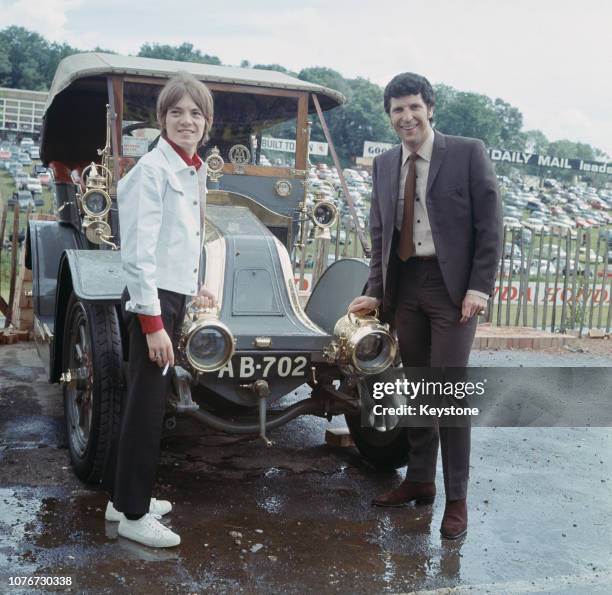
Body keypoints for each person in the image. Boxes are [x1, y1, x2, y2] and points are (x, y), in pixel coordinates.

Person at [348, 72, 502, 539]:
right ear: (389, 116)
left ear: (430, 108)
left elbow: (491, 226)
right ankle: (419, 480)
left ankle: (457, 500)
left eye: (414, 106)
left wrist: (480, 287)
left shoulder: (467, 152)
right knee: (416, 387)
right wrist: (376, 289)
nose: (406, 116)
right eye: (397, 109)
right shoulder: (385, 164)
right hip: (406, 287)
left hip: (454, 291)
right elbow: (380, 234)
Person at [102, 72, 216, 548]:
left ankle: (120, 498)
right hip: (154, 302)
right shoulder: (152, 171)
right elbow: (139, 254)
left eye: (195, 113)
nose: (186, 120)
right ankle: (133, 513)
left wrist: (194, 290)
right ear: (161, 119)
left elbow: (183, 239)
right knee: (148, 408)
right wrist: (153, 324)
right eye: (176, 112)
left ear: (207, 123)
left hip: (170, 295)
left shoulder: (189, 167)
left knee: (143, 401)